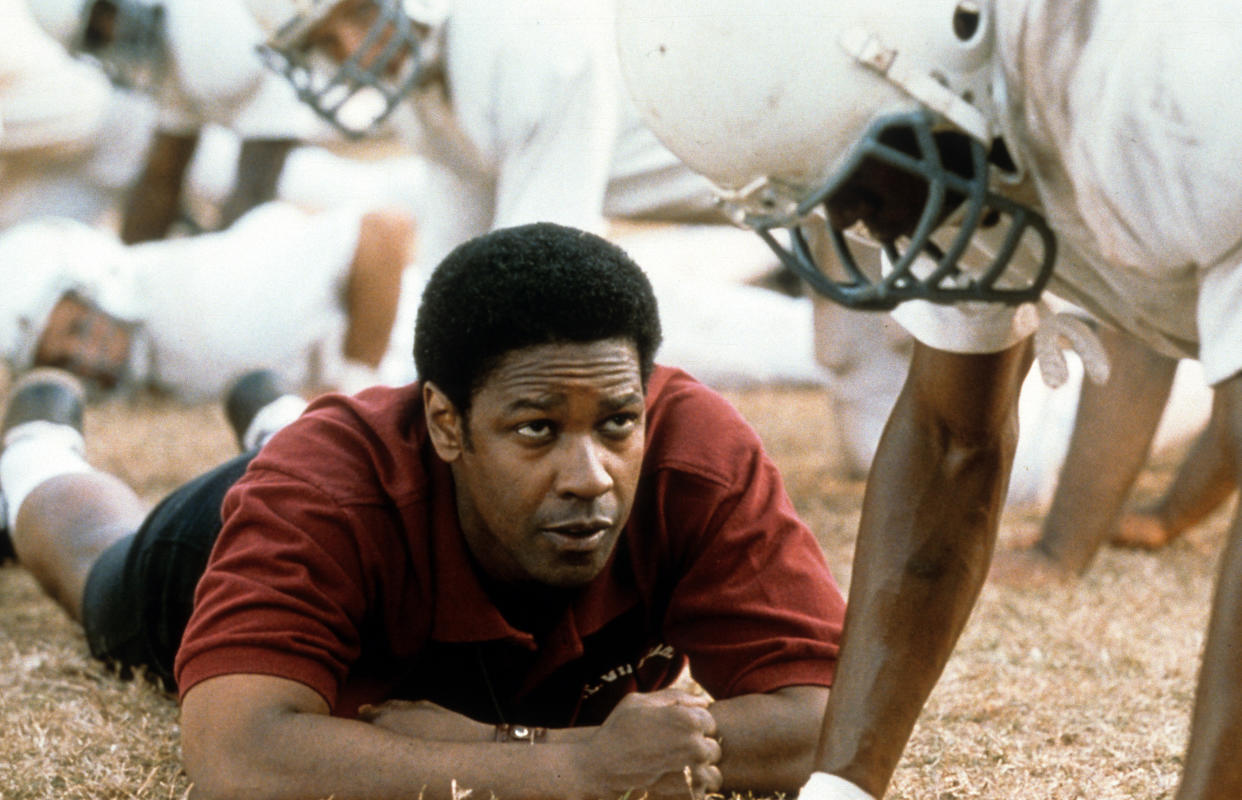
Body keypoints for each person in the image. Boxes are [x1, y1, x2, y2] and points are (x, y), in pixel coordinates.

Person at [614, 2, 1242, 799]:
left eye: (851, 184)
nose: (851, 221)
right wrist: (838, 789)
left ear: (933, 48)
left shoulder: (1177, 79)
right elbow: (951, 439)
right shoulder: (941, 114)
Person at [0, 222, 847, 799]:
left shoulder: (693, 452)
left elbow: (831, 722)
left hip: (373, 465)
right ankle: (36, 447)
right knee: (96, 568)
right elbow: (236, 752)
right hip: (236, 531)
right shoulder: (323, 493)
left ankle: (275, 407)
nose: (590, 473)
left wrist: (489, 750)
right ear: (446, 423)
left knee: (313, 440)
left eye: (617, 422)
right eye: (538, 428)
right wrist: (577, 769)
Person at [0, 204, 413, 401]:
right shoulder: (158, 327)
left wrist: (358, 382)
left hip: (431, 361)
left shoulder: (199, 305)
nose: (85, 359)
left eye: (78, 328)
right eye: (60, 361)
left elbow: (383, 232)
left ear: (95, 275)